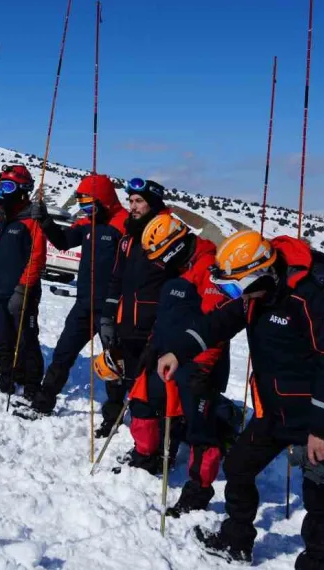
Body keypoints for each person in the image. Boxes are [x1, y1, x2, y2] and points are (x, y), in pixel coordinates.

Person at [163, 230, 324, 570]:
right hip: (274, 413)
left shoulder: (315, 299)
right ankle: (236, 541)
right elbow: (218, 323)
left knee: (319, 500)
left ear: (259, 273)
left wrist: (323, 429)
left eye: (236, 286)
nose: (234, 295)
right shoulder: (256, 296)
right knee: (239, 467)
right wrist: (179, 352)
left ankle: (317, 562)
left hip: (317, 420)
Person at [119, 214, 232, 518]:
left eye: (160, 257)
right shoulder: (176, 270)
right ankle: (147, 455)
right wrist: (151, 347)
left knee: (199, 429)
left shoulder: (209, 270)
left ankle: (199, 487)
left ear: (174, 246)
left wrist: (202, 369)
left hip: (198, 365)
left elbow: (216, 326)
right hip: (165, 357)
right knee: (141, 403)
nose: (158, 264)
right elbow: (167, 317)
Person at [24, 174, 128, 416]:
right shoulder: (86, 223)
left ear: (104, 201)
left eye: (90, 205)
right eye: (82, 206)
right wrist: (46, 222)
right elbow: (63, 242)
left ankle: (112, 415)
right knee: (63, 352)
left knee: (113, 363)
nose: (86, 211)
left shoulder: (122, 224)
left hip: (111, 309)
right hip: (84, 304)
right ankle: (43, 401)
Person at [96, 178, 171, 437]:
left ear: (154, 204)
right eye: (130, 201)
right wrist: (107, 315)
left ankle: (151, 437)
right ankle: (113, 417)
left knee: (146, 385)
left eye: (139, 201)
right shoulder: (128, 236)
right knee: (117, 372)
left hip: (152, 325)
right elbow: (116, 277)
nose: (133, 206)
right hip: (125, 320)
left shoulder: (169, 235)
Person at [0, 164, 46, 397]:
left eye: (9, 186)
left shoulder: (32, 219)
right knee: (3, 339)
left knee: (26, 340)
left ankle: (32, 387)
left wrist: (23, 288)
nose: (4, 191)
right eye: (2, 186)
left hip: (22, 292)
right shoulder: (0, 218)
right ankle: (7, 379)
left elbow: (37, 257)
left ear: (23, 189)